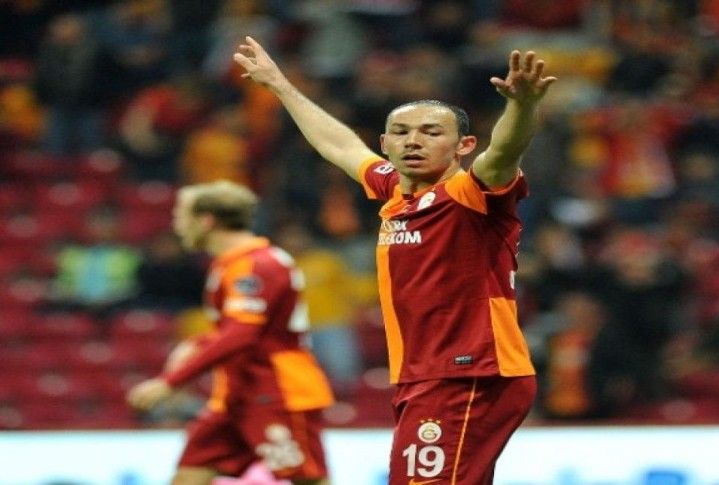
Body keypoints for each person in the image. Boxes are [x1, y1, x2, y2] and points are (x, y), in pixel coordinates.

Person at [234, 36, 556, 485]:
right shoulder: (394, 192)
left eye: (431, 132)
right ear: (385, 143)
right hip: (426, 375)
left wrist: (521, 107)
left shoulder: (470, 195)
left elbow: (503, 153)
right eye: (401, 133)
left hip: (469, 372)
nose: (413, 141)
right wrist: (280, 86)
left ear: (464, 146)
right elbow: (340, 146)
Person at [126, 180, 335, 485]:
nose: (178, 227)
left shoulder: (257, 265)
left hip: (275, 393)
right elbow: (241, 329)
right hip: (235, 396)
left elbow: (242, 334)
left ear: (206, 220)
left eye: (181, 217)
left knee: (308, 481)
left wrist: (170, 382)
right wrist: (199, 342)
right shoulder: (230, 265)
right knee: (187, 478)